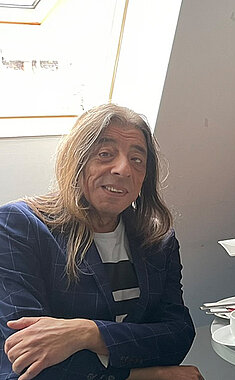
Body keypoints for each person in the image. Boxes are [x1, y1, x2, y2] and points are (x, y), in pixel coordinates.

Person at [0, 104, 202, 380]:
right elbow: (26, 354)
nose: (123, 169)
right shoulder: (17, 226)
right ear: (77, 161)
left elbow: (177, 335)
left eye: (137, 160)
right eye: (105, 154)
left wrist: (87, 332)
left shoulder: (158, 240)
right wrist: (144, 375)